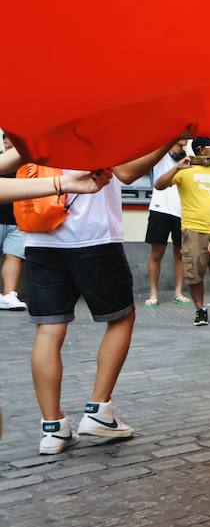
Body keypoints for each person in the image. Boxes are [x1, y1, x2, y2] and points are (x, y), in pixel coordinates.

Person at [22, 142, 175, 455]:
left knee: (49, 330)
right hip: (92, 236)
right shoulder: (98, 122)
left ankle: (53, 429)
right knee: (121, 317)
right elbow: (127, 172)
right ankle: (99, 411)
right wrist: (172, 138)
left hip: (39, 235)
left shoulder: (42, 121)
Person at [153, 138, 210, 326]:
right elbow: (158, 185)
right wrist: (176, 168)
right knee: (194, 275)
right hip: (193, 230)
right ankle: (200, 311)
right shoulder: (185, 170)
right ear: (201, 150)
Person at [143, 137, 189, 307]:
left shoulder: (190, 158)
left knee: (180, 253)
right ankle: (153, 293)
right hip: (159, 208)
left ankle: (178, 292)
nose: (187, 139)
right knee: (157, 253)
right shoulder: (160, 155)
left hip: (182, 210)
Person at [0, 131, 30, 310]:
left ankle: (9, 295)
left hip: (18, 221)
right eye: (6, 140)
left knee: (14, 256)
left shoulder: (26, 165)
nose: (9, 144)